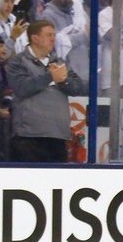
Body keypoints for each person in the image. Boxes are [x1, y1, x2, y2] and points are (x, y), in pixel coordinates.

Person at [7, 20, 86, 163]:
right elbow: (21, 87)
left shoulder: (60, 62)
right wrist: (50, 77)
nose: (53, 39)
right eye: (49, 35)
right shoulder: (18, 62)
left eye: (54, 35)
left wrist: (63, 81)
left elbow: (78, 87)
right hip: (29, 136)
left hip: (58, 135)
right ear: (35, 38)